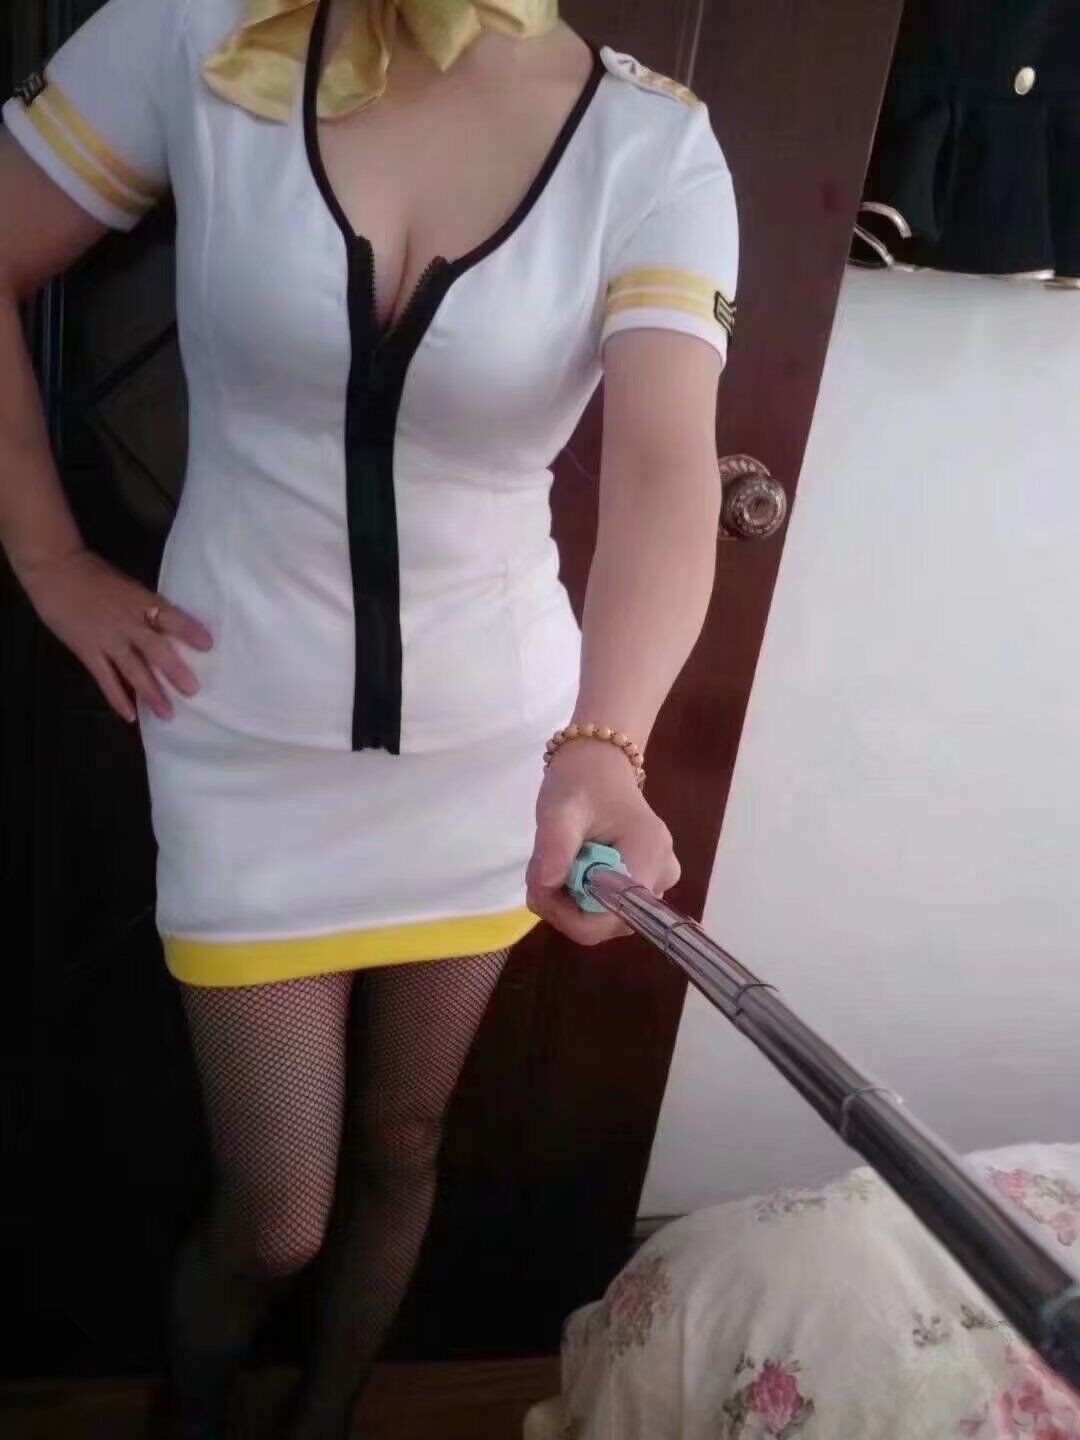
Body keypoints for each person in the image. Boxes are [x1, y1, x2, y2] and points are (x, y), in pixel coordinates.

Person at [0, 0, 738, 1434]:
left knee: (403, 1146)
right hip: (234, 742)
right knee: (277, 1216)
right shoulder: (197, 32)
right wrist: (48, 560)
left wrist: (608, 742)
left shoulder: (652, 145)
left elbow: (666, 469)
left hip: (495, 760)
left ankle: (326, 1420)